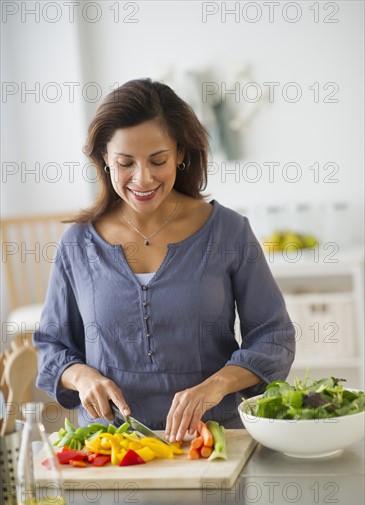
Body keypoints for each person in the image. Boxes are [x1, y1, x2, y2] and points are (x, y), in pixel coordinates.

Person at [34, 78, 295, 442]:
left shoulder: (229, 232)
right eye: (126, 163)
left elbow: (274, 337)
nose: (143, 179)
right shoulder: (77, 243)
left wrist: (216, 386)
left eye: (158, 160)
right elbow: (51, 346)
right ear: (105, 160)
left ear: (180, 154)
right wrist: (82, 377)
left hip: (211, 440)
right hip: (110, 449)